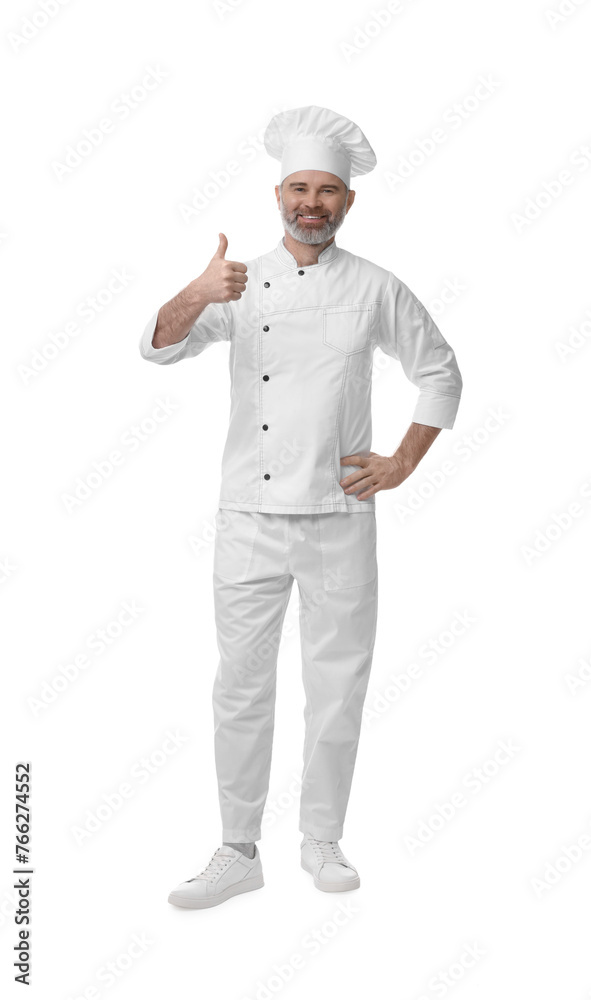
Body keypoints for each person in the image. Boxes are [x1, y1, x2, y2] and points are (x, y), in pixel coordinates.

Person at [139, 105, 463, 909]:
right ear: (276, 194)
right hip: (247, 517)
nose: (310, 203)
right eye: (297, 188)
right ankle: (236, 849)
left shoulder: (376, 287)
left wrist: (399, 463)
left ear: (347, 202)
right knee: (240, 686)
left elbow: (442, 375)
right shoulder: (237, 283)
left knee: (337, 686)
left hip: (339, 518)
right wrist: (194, 289)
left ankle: (321, 840)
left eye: (326, 190)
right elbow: (157, 345)